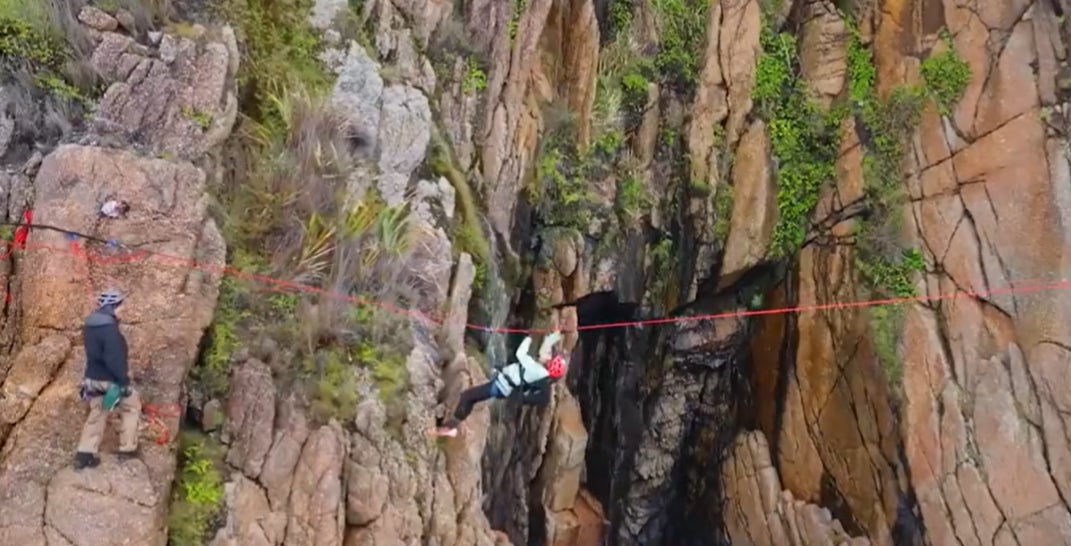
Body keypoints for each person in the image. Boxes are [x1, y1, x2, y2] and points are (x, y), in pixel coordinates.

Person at [434, 331, 567, 437]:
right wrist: (557, 334)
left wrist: (528, 338)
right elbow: (545, 348)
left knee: (468, 396)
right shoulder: (542, 372)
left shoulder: (536, 370)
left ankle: (449, 428)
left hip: (500, 386)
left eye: (550, 358)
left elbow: (520, 354)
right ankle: (451, 425)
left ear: (549, 365)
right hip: (503, 383)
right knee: (471, 398)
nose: (548, 356)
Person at [74, 289, 142, 470]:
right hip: (110, 379)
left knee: (97, 412)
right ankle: (127, 449)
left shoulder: (89, 326)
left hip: (92, 378)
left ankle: (84, 454)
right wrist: (123, 382)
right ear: (114, 306)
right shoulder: (110, 329)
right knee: (131, 407)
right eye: (121, 306)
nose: (123, 310)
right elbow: (114, 359)